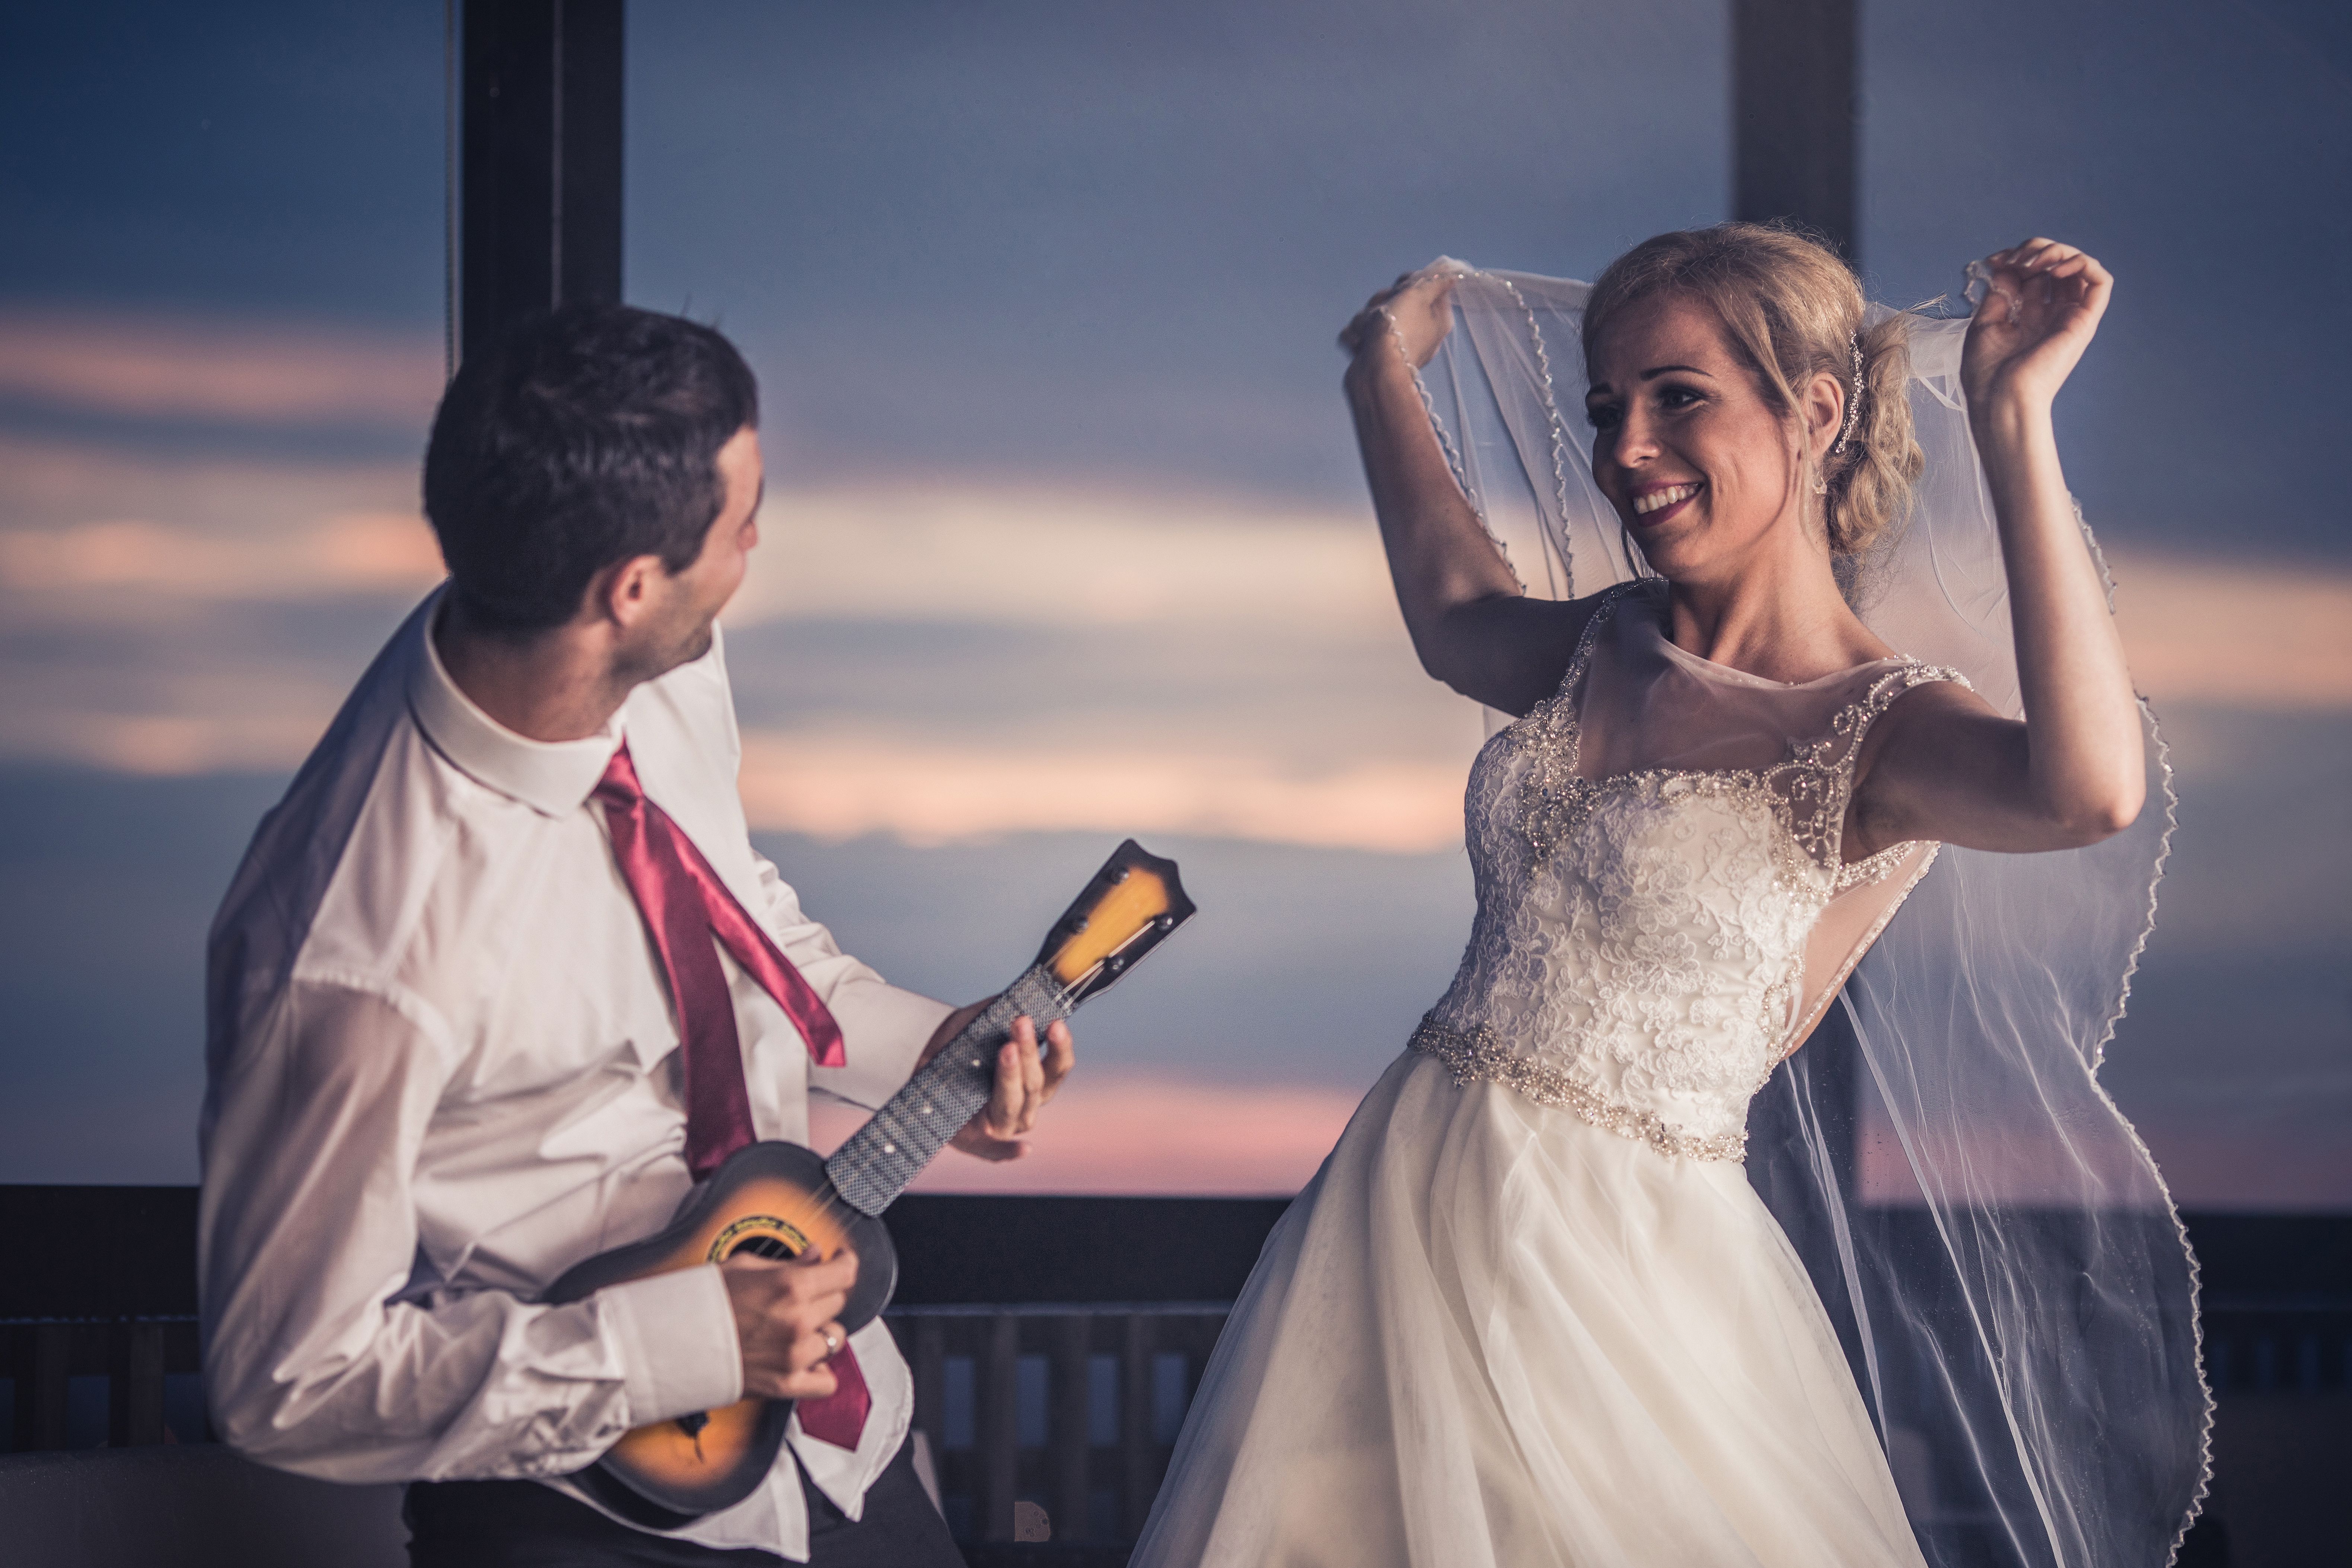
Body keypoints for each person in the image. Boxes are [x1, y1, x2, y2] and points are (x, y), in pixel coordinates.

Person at [1129, 225, 2205, 1567]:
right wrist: (1377, 376)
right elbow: (1453, 605)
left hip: (1620, 1272)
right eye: (1605, 407)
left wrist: (2012, 408)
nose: (1623, 447)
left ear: (1816, 412)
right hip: (1397, 1216)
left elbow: (2087, 793)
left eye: (1676, 396)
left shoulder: (1875, 727)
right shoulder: (1600, 645)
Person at [199, 302, 1076, 1567]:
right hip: (577, 1518)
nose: (758, 542)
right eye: (743, 520)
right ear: (630, 586)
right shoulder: (353, 947)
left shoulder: (652, 656)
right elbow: (281, 1380)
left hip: (847, 1452)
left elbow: (729, 905)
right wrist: (680, 1345)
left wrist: (925, 1045)